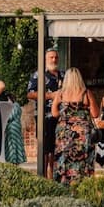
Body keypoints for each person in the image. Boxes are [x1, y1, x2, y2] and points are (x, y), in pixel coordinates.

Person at [51, 67, 99, 186]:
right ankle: (83, 185)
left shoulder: (60, 93)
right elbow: (95, 114)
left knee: (64, 158)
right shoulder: (86, 93)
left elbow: (54, 113)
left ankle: (64, 185)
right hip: (83, 133)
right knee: (83, 159)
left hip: (64, 133)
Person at [27, 48, 64, 178]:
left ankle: (54, 176)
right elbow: (30, 94)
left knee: (57, 147)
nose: (54, 60)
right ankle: (43, 176)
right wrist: (50, 96)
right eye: (51, 57)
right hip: (45, 116)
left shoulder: (63, 75)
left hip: (61, 116)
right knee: (45, 147)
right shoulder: (38, 75)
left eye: (56, 57)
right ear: (45, 59)